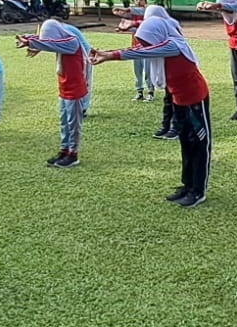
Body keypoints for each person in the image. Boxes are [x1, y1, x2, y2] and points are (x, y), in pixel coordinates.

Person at [91, 16, 213, 207]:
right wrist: (107, 54)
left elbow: (143, 52)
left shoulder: (173, 45)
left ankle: (198, 191)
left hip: (195, 98)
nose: (144, 44)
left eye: (147, 40)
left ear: (156, 36)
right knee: (185, 143)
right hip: (178, 99)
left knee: (199, 144)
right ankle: (187, 185)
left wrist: (110, 56)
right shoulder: (161, 43)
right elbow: (139, 49)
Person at [17, 19, 88, 168]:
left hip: (74, 90)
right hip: (64, 88)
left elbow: (50, 44)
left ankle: (73, 155)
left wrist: (30, 42)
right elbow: (47, 41)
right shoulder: (62, 40)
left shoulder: (71, 42)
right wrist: (29, 38)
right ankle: (64, 150)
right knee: (64, 123)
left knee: (73, 124)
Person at [196, 0, 237, 121]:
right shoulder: (226, 9)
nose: (224, 12)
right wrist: (205, 6)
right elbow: (221, 8)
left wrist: (216, 6)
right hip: (233, 45)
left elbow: (228, 6)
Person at [144, 4, 179, 140]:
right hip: (164, 66)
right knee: (168, 99)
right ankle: (165, 125)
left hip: (175, 68)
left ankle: (176, 128)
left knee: (177, 100)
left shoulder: (171, 26)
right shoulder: (156, 27)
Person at [113, 0, 154, 102]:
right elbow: (131, 25)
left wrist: (123, 10)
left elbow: (141, 27)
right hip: (135, 45)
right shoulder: (132, 15)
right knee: (137, 70)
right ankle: (139, 91)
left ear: (145, 2)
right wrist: (123, 28)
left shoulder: (147, 12)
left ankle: (150, 92)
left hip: (147, 46)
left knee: (148, 70)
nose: (138, 1)